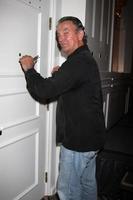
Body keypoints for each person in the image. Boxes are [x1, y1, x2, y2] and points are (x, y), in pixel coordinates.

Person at [19, 16, 105, 200]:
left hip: (78, 142)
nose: (61, 37)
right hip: (91, 139)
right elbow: (76, 86)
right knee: (87, 184)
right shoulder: (83, 60)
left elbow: (44, 90)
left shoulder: (78, 62)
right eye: (58, 34)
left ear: (80, 34)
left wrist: (29, 69)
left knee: (68, 191)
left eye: (66, 32)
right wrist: (61, 75)